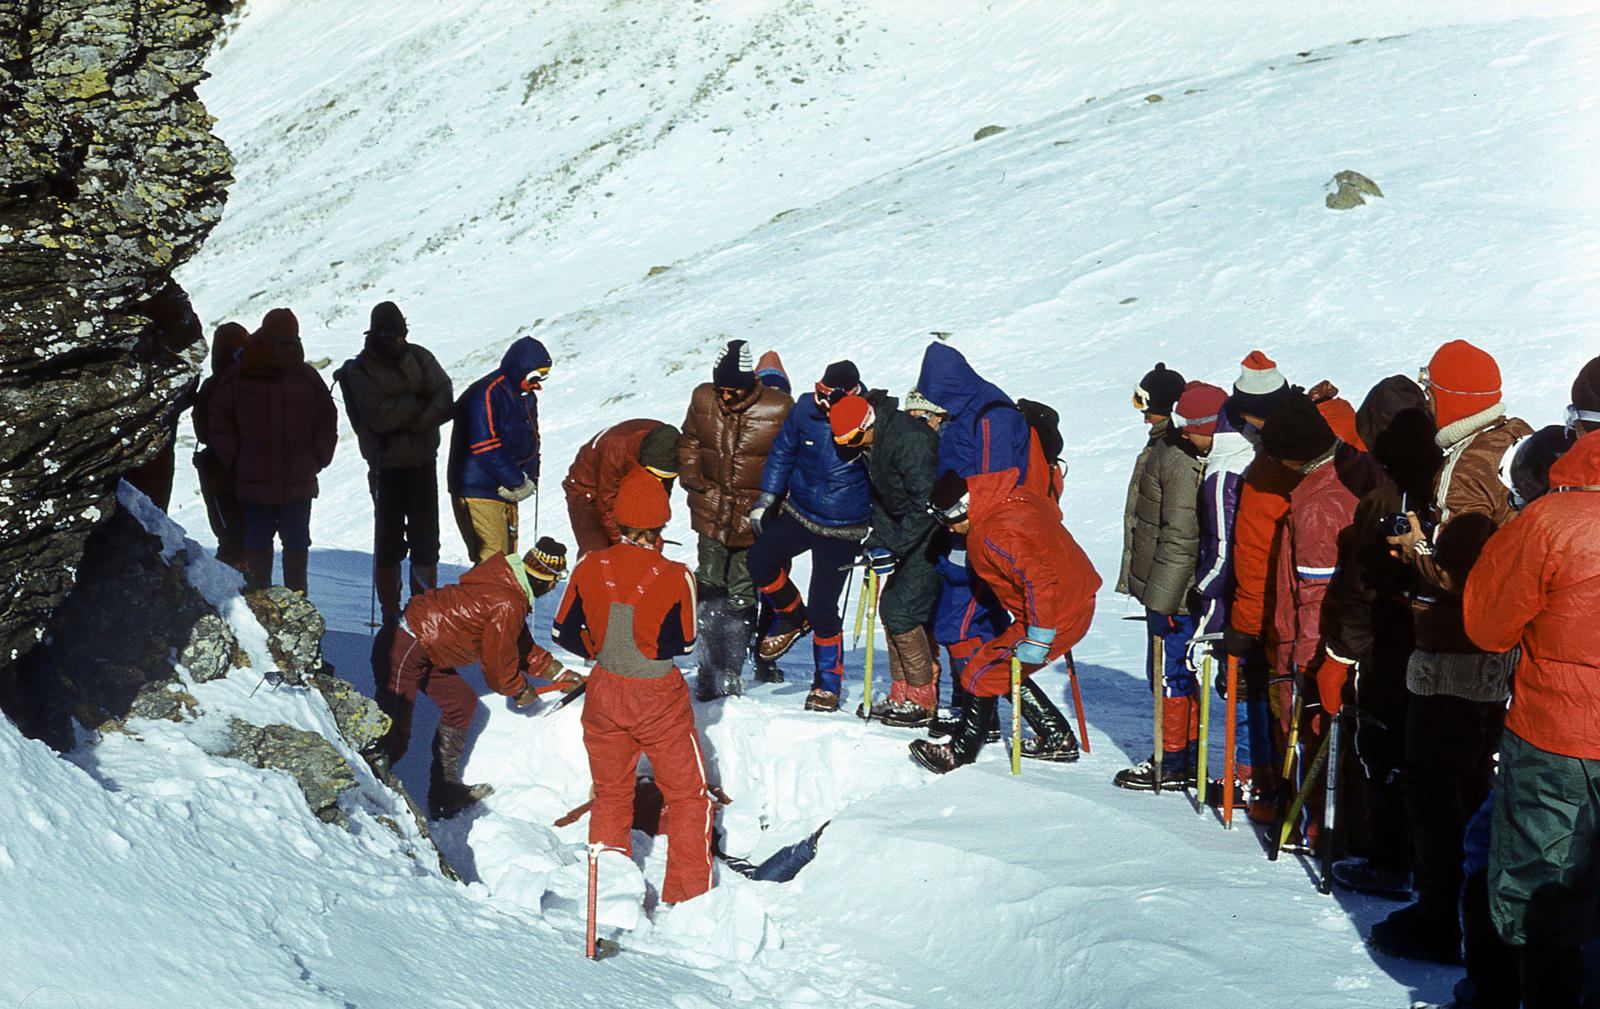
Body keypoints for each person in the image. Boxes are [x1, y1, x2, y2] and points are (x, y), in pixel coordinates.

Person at [1368, 339, 1532, 965]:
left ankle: (1443, 918)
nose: (1428, 399)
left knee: (1435, 785)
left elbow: (1466, 580)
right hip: (1487, 655)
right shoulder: (1495, 445)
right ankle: (1467, 913)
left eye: (1433, 389)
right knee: (1466, 780)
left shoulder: (1462, 468)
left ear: (1454, 397)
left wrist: (1414, 549)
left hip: (1454, 655)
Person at [1465, 425, 1600, 1008]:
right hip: (1560, 733)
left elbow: (1487, 627)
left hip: (1556, 739)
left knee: (1538, 892)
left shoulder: (1549, 522)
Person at [552, 468, 713, 906]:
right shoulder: (677, 574)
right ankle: (688, 896)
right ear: (660, 524)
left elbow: (561, 632)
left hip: (604, 690)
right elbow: (683, 643)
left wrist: (601, 649)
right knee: (686, 796)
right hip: (656, 696)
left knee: (610, 793)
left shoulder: (590, 565)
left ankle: (609, 893)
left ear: (619, 520)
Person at [1324, 378, 1439, 897]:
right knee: (1438, 759)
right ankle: (1433, 863)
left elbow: (1360, 588)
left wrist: (1342, 652)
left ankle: (1393, 861)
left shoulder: (1383, 499)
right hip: (1443, 646)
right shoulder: (1450, 483)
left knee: (1386, 749)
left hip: (1391, 649)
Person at [909, 469, 1098, 773]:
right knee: (1001, 668)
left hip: (1056, 611)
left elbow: (1039, 579)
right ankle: (1057, 737)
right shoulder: (1011, 495)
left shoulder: (991, 534)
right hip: (1071, 596)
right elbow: (1051, 517)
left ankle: (959, 754)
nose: (953, 531)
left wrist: (1039, 635)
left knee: (979, 674)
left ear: (963, 507)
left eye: (951, 522)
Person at [369, 538, 572, 819]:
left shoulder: (508, 586)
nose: (553, 588)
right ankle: (366, 793)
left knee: (461, 703)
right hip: (406, 642)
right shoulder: (508, 600)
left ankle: (444, 790)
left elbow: (520, 645)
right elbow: (498, 667)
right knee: (395, 732)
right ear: (542, 577)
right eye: (554, 581)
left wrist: (559, 673)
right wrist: (519, 688)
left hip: (425, 647)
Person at [914, 343, 1036, 725]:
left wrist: (971, 544)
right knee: (989, 627)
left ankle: (974, 713)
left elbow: (992, 488)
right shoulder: (970, 408)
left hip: (981, 539)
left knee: (958, 626)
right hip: (961, 532)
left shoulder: (990, 417)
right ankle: (1043, 725)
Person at [747, 360, 872, 712]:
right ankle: (791, 615)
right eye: (817, 392)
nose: (819, 401)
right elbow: (784, 450)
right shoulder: (804, 408)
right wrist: (768, 497)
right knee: (759, 560)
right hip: (800, 511)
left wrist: (880, 533)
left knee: (823, 608)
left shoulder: (863, 418)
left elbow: (885, 479)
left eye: (826, 396)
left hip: (843, 526)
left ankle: (828, 683)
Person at [677, 340, 794, 700]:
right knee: (710, 584)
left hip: (754, 519)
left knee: (743, 591)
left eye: (732, 390)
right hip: (710, 512)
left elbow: (791, 460)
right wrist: (695, 482)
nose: (725, 396)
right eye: (721, 389)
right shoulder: (703, 398)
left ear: (750, 383)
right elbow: (690, 441)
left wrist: (772, 504)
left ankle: (731, 670)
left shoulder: (779, 408)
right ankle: (709, 668)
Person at [1112, 365, 1206, 791]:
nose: (1142, 415)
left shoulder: (1177, 455)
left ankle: (1171, 762)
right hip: (1162, 585)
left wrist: (1165, 599)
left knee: (1171, 671)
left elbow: (1181, 533)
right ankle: (1177, 755)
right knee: (1167, 670)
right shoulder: (1163, 448)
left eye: (1145, 406)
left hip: (1174, 592)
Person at [334, 301, 454, 623]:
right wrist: (421, 408)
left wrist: (411, 417)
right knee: (388, 542)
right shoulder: (360, 369)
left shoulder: (420, 356)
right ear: (376, 334)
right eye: (390, 336)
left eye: (400, 335)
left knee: (427, 540)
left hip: (422, 463)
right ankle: (390, 615)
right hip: (385, 467)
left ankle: (421, 610)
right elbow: (379, 416)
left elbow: (444, 397)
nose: (396, 341)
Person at [829, 392, 942, 726]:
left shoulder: (910, 440)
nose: (849, 447)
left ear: (868, 424)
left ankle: (923, 699)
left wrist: (895, 548)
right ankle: (902, 690)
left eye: (853, 439)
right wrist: (878, 541)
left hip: (932, 533)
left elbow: (925, 505)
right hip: (905, 531)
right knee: (890, 608)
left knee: (903, 611)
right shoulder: (871, 443)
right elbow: (883, 500)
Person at [208, 308, 338, 595]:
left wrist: (318, 458)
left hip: (297, 482)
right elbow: (218, 418)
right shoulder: (240, 376)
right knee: (257, 542)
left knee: (297, 542)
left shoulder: (306, 377)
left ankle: (298, 602)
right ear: (267, 339)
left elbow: (327, 420)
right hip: (255, 482)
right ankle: (259, 602)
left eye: (293, 341)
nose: (289, 348)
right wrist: (237, 459)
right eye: (283, 342)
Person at [1177, 380, 1255, 806]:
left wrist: (1203, 595)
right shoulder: (1240, 455)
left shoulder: (1225, 471)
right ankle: (1248, 771)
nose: (1185, 436)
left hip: (1234, 601)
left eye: (1189, 428)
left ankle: (1244, 775)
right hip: (1249, 595)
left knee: (1239, 687)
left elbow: (1225, 548)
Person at [446, 336, 551, 563]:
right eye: (534, 377)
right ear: (519, 369)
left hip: (507, 489)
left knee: (508, 560)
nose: (538, 384)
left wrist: (529, 479)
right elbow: (486, 447)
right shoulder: (486, 393)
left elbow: (532, 440)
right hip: (479, 491)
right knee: (492, 561)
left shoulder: (526, 397)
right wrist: (518, 482)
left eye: (544, 377)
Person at [562, 418, 681, 560]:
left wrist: (651, 534)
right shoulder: (614, 450)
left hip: (628, 485)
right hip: (589, 491)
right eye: (656, 475)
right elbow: (606, 507)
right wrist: (630, 546)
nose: (659, 481)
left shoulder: (670, 449)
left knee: (645, 547)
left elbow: (659, 497)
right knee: (596, 552)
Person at [191, 321, 251, 571]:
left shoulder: (211, 386)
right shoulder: (251, 383)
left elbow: (202, 429)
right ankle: (252, 591)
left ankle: (229, 591)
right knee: (247, 539)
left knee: (229, 538)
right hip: (248, 475)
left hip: (217, 476)